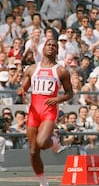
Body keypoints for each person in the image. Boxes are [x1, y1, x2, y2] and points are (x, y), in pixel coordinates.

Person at [16, 38, 73, 186]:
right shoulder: (32, 69)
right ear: (43, 49)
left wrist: (58, 99)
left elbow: (70, 93)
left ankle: (55, 140)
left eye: (54, 46)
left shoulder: (60, 71)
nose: (51, 47)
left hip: (49, 111)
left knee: (41, 143)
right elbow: (24, 87)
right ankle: (43, 182)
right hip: (34, 111)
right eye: (49, 45)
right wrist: (21, 90)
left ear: (57, 51)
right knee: (34, 151)